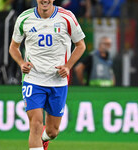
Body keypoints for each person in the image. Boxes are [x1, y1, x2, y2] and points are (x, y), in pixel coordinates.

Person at [9, 0, 86, 150]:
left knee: (52, 131)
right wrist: (21, 63)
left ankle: (45, 139)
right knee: (36, 124)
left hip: (58, 81)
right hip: (33, 79)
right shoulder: (24, 18)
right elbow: (13, 47)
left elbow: (80, 45)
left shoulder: (67, 17)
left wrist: (68, 66)